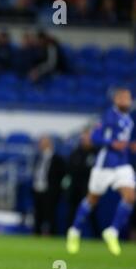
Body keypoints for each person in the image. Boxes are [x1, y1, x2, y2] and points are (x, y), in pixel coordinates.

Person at [67, 88, 135, 256]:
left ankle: (112, 231)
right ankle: (74, 230)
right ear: (116, 100)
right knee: (92, 200)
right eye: (124, 98)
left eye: (129, 98)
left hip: (122, 165)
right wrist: (111, 143)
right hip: (104, 165)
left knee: (130, 197)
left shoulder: (129, 119)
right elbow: (94, 137)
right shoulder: (108, 116)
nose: (128, 101)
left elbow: (125, 142)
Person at [66, 128, 98, 234]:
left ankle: (97, 236)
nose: (85, 140)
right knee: (72, 212)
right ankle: (70, 234)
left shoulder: (96, 153)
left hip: (89, 187)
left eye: (88, 138)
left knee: (91, 213)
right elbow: (70, 169)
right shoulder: (76, 152)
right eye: (84, 138)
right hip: (75, 187)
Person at [32, 136, 66, 235]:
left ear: (49, 144)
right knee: (38, 215)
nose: (40, 145)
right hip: (38, 189)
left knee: (50, 216)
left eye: (43, 143)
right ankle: (36, 234)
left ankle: (52, 235)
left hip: (50, 191)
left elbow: (63, 176)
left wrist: (59, 189)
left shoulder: (58, 159)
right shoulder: (38, 157)